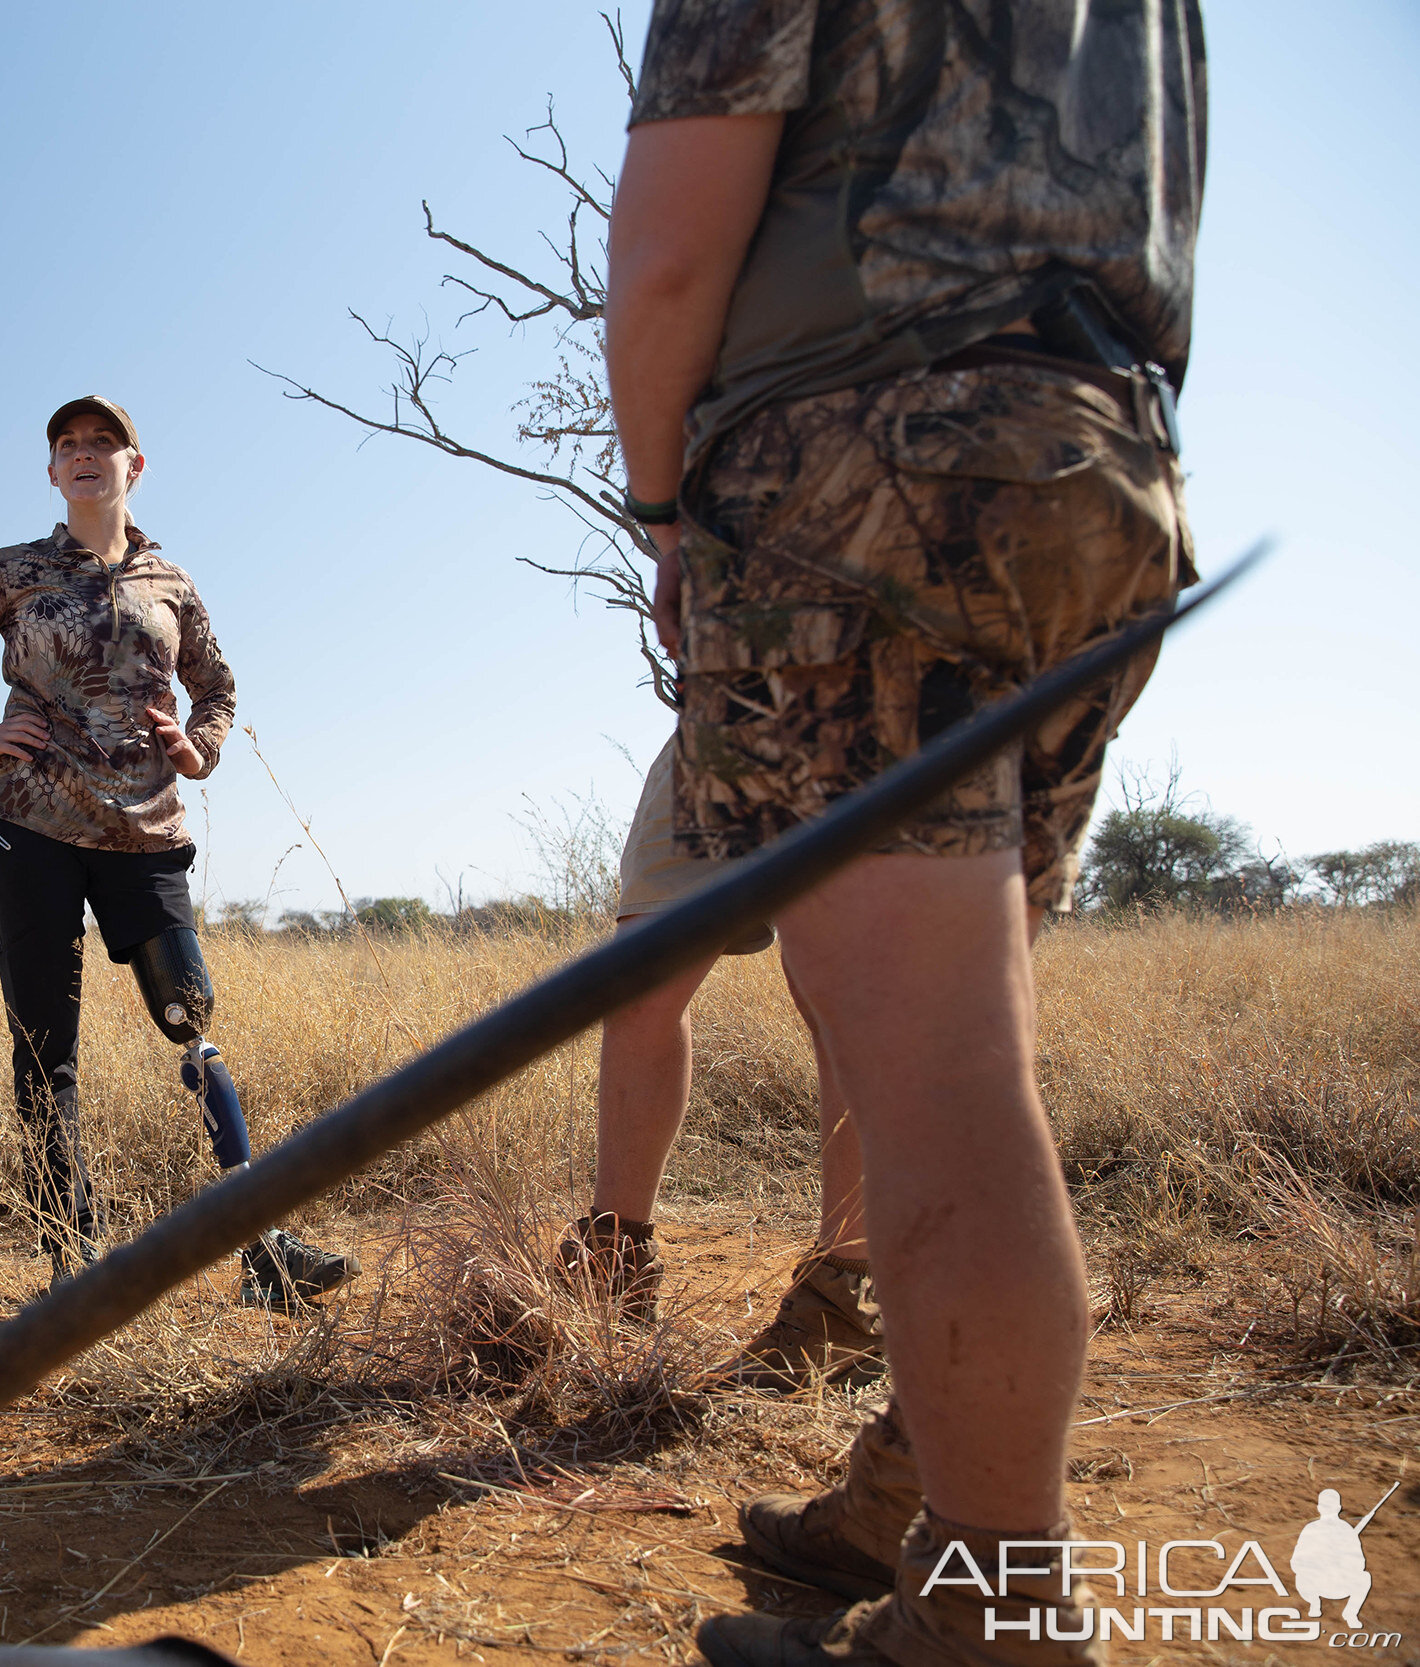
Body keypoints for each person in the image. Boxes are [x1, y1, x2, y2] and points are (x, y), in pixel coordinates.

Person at [603, 4, 1204, 1663]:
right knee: (959, 1047)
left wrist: (669, 512)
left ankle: (990, 1609)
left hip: (869, 467)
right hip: (1101, 463)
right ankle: (917, 1492)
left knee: (934, 1067)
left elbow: (667, 263)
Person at [0, 395, 360, 1306]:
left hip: (145, 832)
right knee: (44, 1041)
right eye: (68, 446)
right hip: (31, 829)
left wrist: (201, 747)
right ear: (53, 472)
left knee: (189, 1013)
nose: (84, 455)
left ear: (134, 466)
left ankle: (261, 1245)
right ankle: (78, 1261)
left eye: (103, 443)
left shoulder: (170, 581)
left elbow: (217, 686)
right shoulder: (12, 572)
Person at [559, 736, 881, 1392]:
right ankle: (614, 1260)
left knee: (836, 983)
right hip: (719, 713)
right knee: (640, 975)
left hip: (853, 704)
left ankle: (844, 1298)